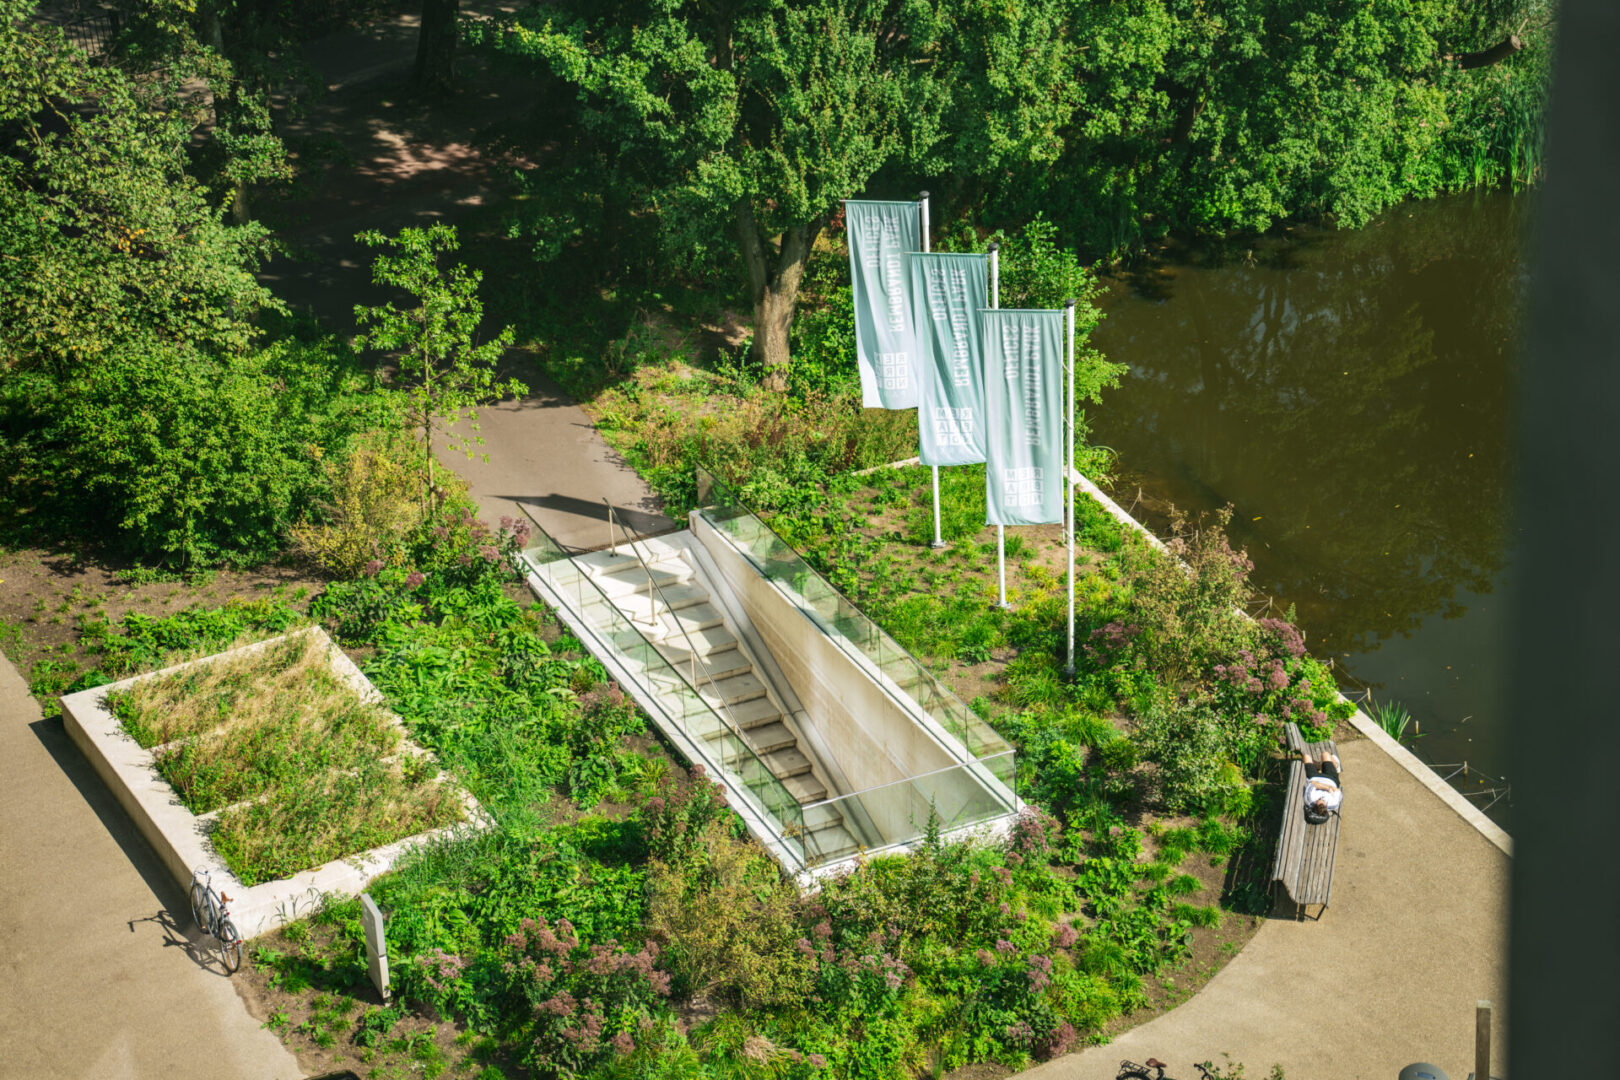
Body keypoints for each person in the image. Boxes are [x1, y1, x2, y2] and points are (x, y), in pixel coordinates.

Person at [1300, 746, 1343, 823]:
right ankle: (1335, 767)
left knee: (1306, 757)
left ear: (1314, 805)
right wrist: (1326, 786)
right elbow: (1338, 790)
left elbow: (1313, 783)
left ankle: (1320, 765)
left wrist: (1328, 788)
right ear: (1326, 808)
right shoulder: (1333, 803)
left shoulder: (1310, 799)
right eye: (1323, 802)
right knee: (1325, 754)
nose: (1321, 799)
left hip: (1314, 777)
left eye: (1319, 801)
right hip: (1331, 779)